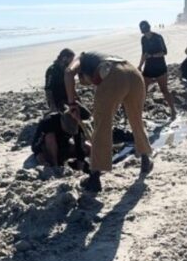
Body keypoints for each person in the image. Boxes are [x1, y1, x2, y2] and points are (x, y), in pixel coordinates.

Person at [64, 51, 154, 193]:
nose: (88, 84)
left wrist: (71, 104)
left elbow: (68, 73)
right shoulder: (97, 60)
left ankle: (94, 178)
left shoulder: (81, 58)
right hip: (133, 73)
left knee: (101, 126)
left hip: (114, 75)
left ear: (82, 73)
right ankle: (145, 159)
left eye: (84, 82)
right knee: (136, 119)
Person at [137, 20, 176, 119]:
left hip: (160, 67)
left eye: (146, 30)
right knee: (143, 91)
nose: (145, 33)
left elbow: (164, 52)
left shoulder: (158, 37)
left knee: (164, 90)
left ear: (149, 28)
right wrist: (140, 66)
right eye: (143, 31)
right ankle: (139, 113)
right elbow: (144, 54)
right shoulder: (143, 39)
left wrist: (152, 55)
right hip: (148, 67)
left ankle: (173, 110)